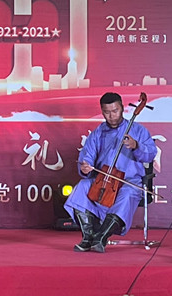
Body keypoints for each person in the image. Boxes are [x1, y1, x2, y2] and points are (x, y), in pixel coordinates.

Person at [64, 92, 157, 253]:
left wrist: (136, 146)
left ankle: (101, 237)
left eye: (115, 111)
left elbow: (150, 154)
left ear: (122, 108)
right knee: (82, 186)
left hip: (129, 182)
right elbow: (87, 155)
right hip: (103, 180)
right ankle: (88, 238)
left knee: (127, 194)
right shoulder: (98, 132)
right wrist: (85, 166)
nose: (111, 116)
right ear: (102, 111)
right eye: (107, 112)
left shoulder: (138, 130)